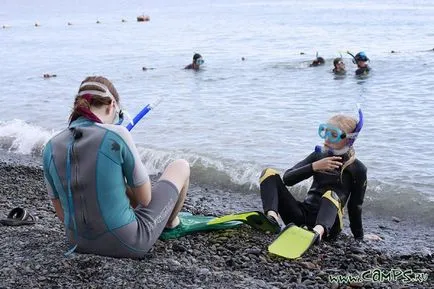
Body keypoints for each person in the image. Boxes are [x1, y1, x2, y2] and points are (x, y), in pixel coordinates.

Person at [42, 76, 190, 258]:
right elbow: (145, 199)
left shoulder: (50, 146)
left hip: (77, 242)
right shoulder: (118, 134)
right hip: (127, 244)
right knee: (180, 166)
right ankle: (170, 224)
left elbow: (63, 215)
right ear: (111, 105)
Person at [259, 109, 377, 242]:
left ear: (349, 140)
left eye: (333, 135)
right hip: (302, 216)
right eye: (325, 132)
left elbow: (355, 207)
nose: (327, 139)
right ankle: (272, 219)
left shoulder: (358, 169)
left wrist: (359, 238)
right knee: (268, 173)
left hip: (329, 227)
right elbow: (287, 179)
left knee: (330, 194)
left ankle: (316, 233)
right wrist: (314, 167)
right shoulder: (318, 156)